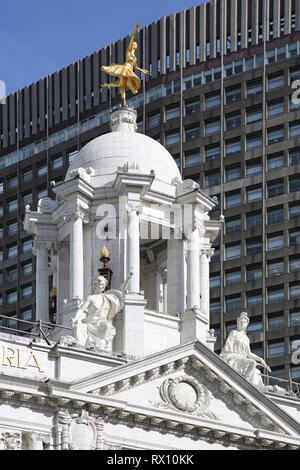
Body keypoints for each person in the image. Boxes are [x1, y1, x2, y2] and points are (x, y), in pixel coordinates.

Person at [71, 272, 132, 349]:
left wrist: (128, 279)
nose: (103, 287)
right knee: (78, 328)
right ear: (96, 285)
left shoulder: (107, 298)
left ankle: (101, 347)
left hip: (102, 323)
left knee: (107, 326)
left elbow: (120, 291)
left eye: (104, 285)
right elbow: (81, 309)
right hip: (91, 323)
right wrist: (74, 319)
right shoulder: (90, 298)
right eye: (101, 284)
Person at [101, 22, 149, 106]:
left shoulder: (135, 58)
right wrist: (136, 29)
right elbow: (132, 37)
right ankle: (124, 102)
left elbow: (136, 67)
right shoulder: (129, 51)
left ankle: (127, 96)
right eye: (133, 43)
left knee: (124, 85)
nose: (133, 44)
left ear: (135, 47)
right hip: (125, 68)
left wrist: (143, 70)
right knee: (122, 86)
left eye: (134, 44)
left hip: (129, 71)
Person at [220, 312, 271, 387]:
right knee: (252, 363)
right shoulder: (234, 333)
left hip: (242, 358)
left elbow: (248, 353)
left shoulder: (246, 339)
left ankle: (255, 388)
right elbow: (228, 347)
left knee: (257, 372)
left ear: (247, 324)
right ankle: (245, 383)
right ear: (238, 323)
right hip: (233, 356)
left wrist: (260, 359)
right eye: (240, 322)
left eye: (244, 322)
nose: (242, 323)